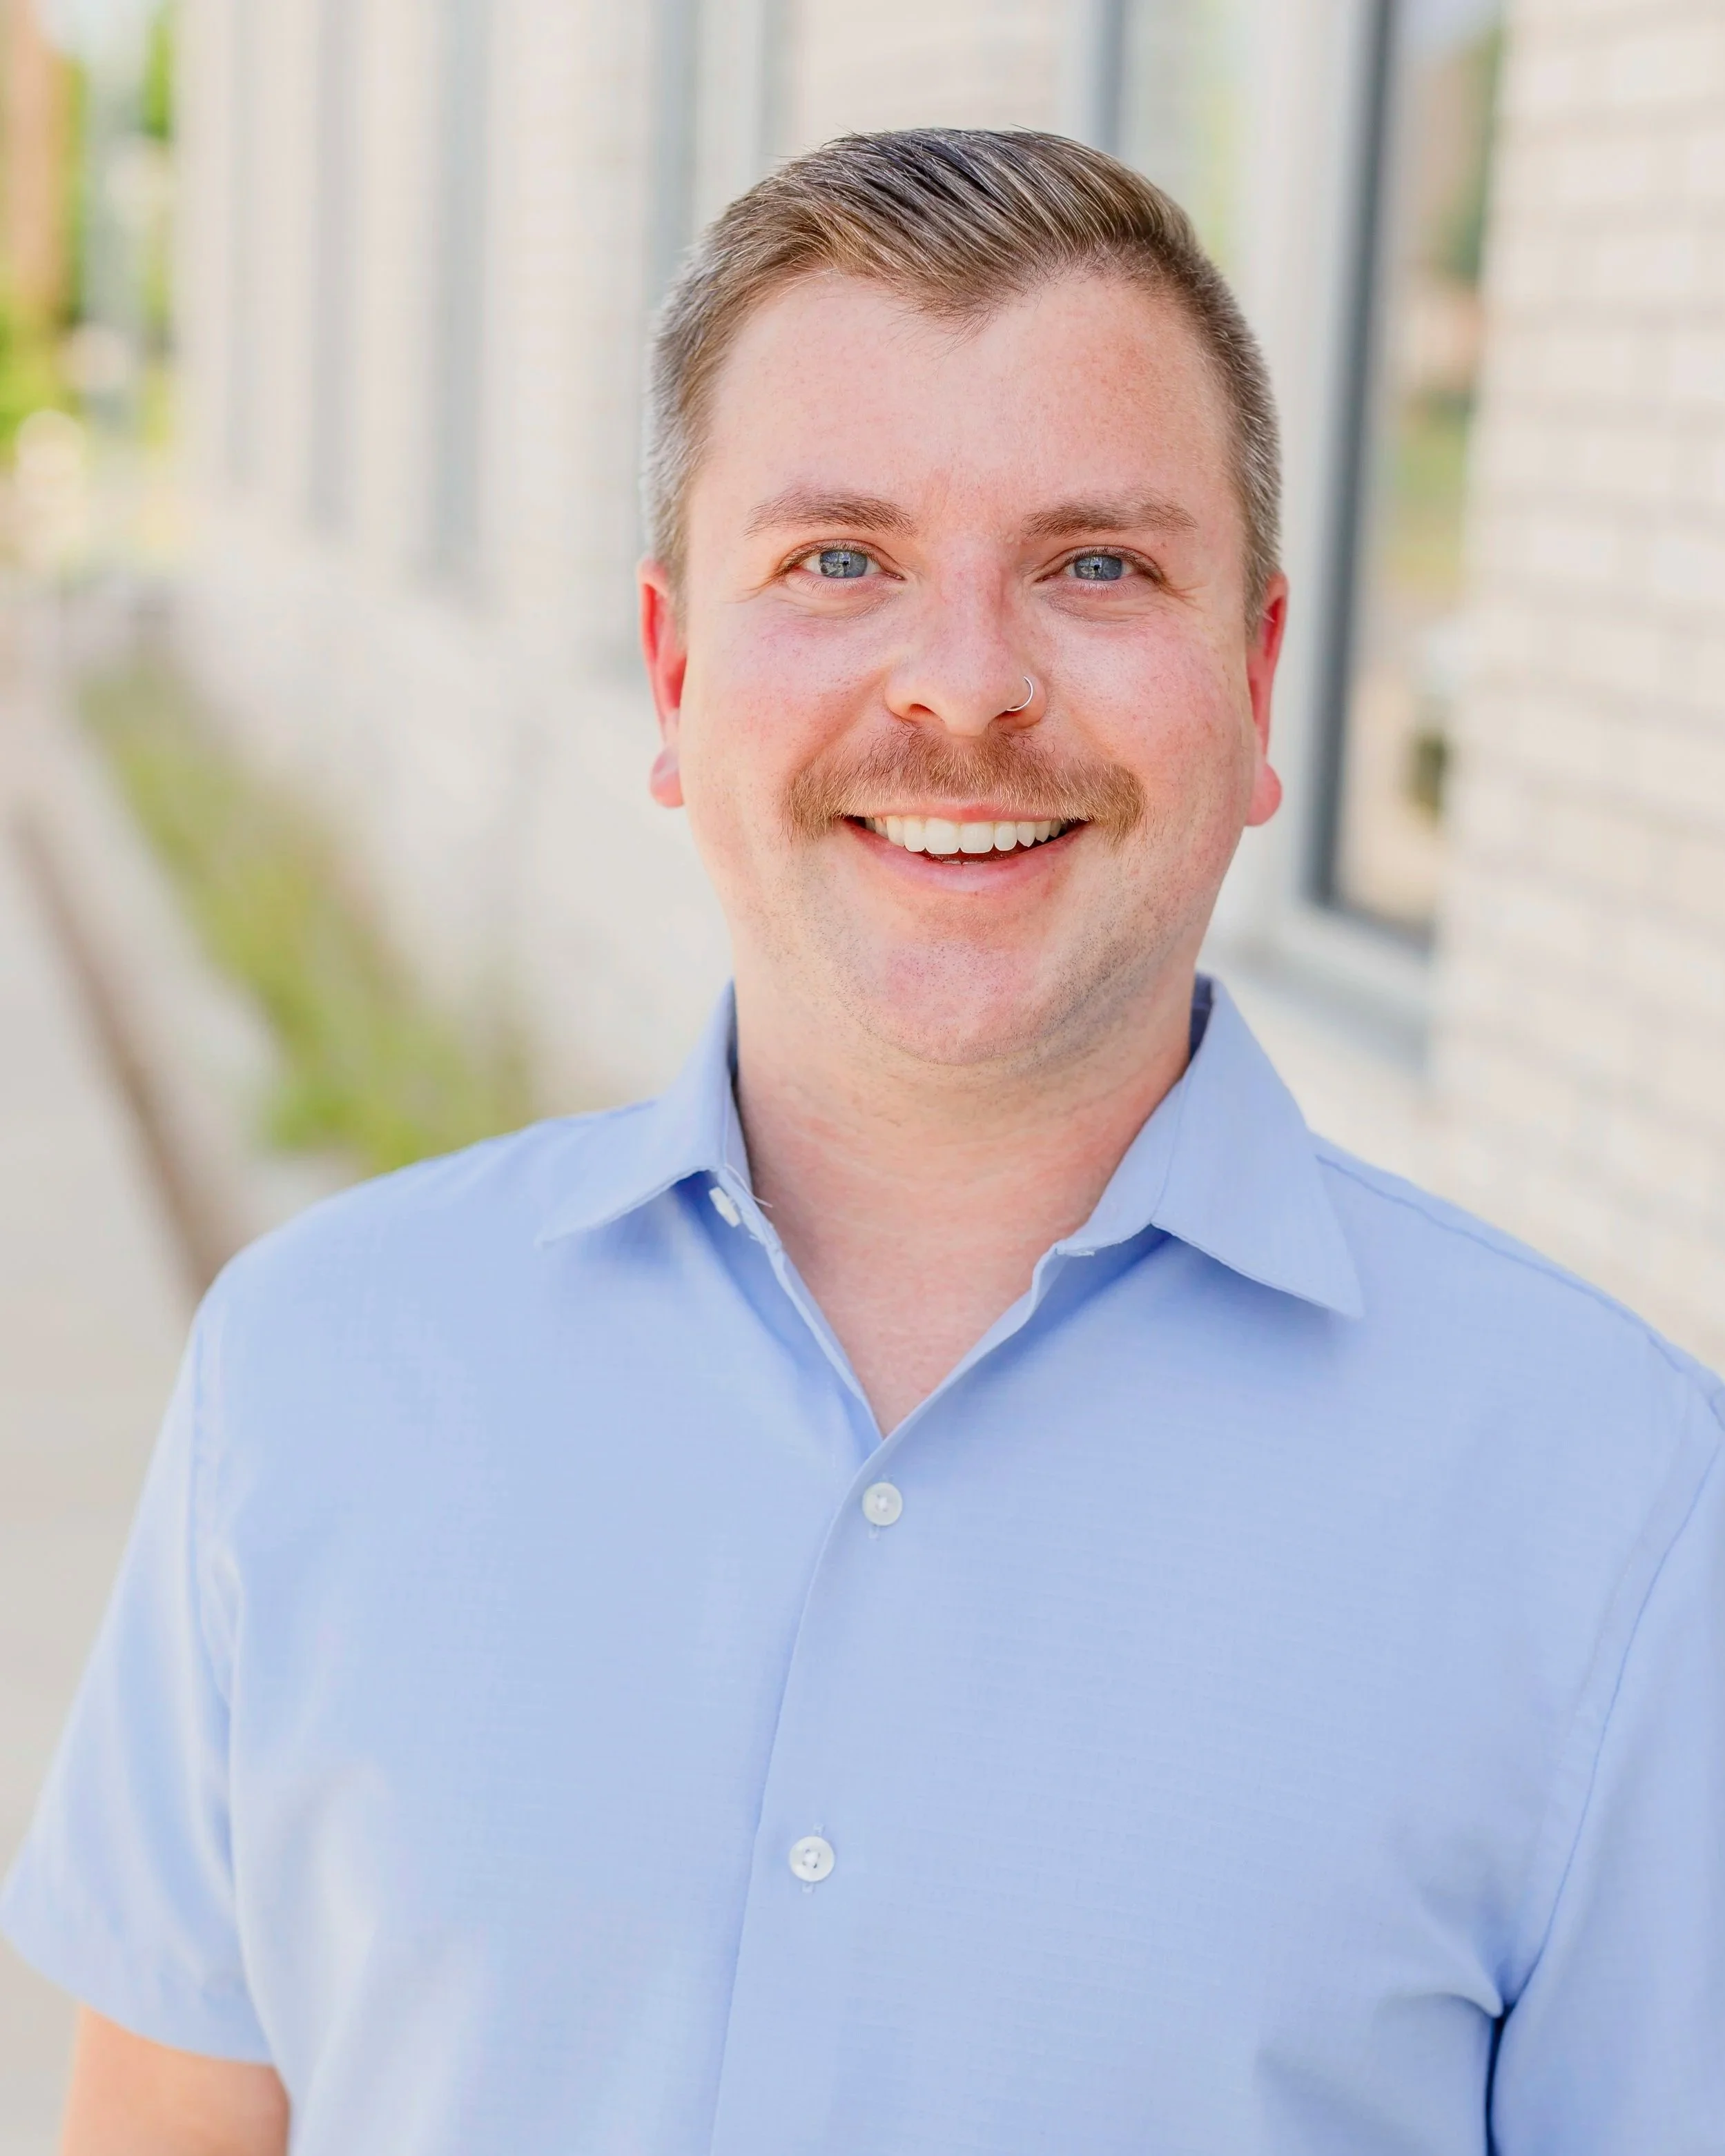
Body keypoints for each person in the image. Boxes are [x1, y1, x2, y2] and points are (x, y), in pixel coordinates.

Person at [5, 128, 1722, 2156]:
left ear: (1260, 693)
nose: (967, 688)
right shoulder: (308, 1374)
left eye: (1097, 563)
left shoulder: (1618, 1512)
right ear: (673, 672)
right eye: (841, 559)